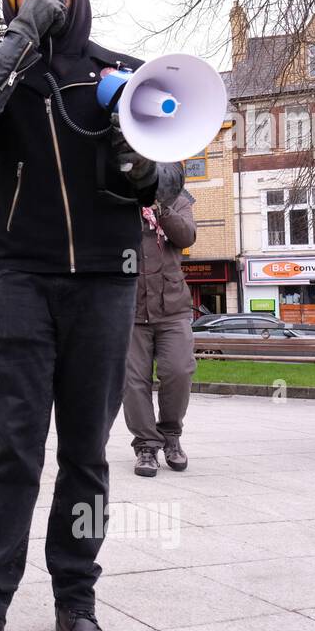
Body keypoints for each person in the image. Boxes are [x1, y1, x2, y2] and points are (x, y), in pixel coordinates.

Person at [0, 0, 184, 631]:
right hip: (24, 278)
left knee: (86, 454)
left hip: (106, 282)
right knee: (14, 449)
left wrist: (146, 167)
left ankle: (77, 602)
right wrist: (21, 37)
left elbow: (169, 175)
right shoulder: (5, 74)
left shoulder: (120, 69)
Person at [124, 190, 198, 476]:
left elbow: (186, 236)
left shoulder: (178, 199)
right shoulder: (119, 196)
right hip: (130, 308)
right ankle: (145, 444)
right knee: (132, 381)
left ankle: (171, 435)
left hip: (173, 307)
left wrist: (160, 207)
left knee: (179, 371)